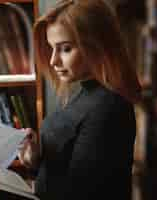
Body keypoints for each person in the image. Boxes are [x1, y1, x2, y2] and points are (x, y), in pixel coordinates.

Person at [18, 0, 142, 199]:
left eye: (65, 49)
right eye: (51, 48)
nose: (53, 61)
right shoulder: (83, 96)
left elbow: (83, 193)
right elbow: (65, 175)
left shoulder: (108, 107)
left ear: (97, 45)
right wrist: (35, 163)